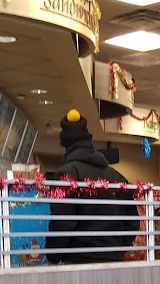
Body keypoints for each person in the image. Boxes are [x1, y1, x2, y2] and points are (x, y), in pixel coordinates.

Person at [46, 110, 139, 263]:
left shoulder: (67, 174)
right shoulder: (117, 177)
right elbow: (132, 222)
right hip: (114, 261)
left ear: (65, 145)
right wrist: (117, 248)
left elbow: (63, 221)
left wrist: (53, 254)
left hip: (79, 261)